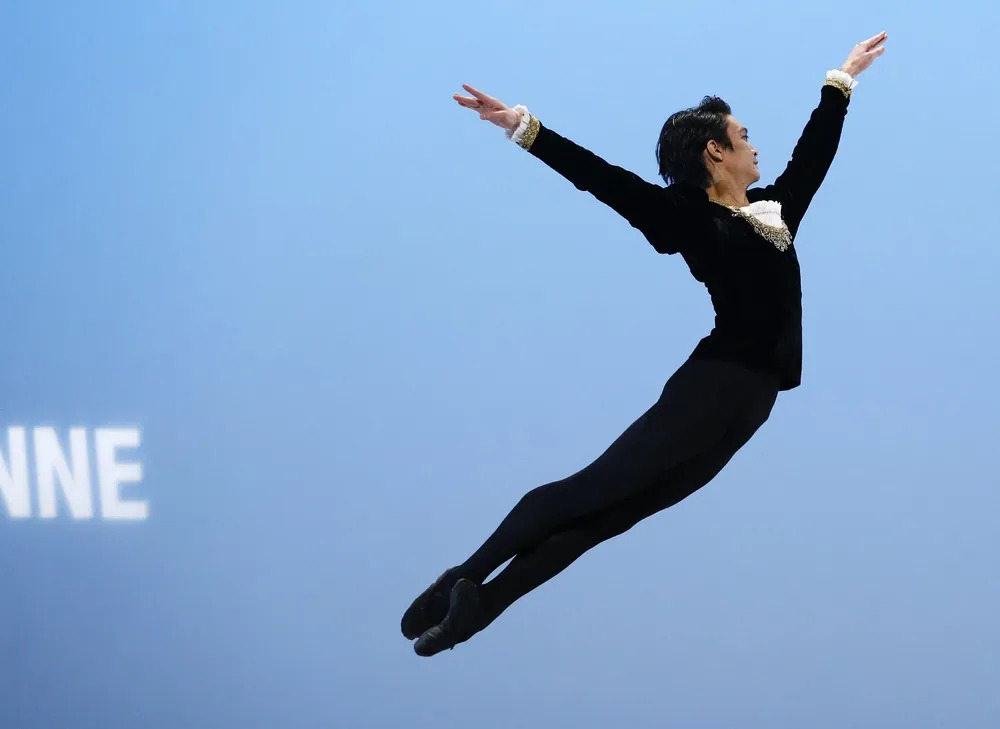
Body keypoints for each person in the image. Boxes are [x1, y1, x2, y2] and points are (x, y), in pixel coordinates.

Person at [402, 31, 888, 657]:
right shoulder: (685, 216)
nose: (754, 144)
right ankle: (463, 575)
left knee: (609, 519)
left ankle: (479, 611)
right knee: (594, 488)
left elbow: (816, 151)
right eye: (744, 136)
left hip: (751, 407)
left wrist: (842, 79)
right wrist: (525, 128)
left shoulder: (776, 209)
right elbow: (605, 182)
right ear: (716, 152)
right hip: (715, 383)